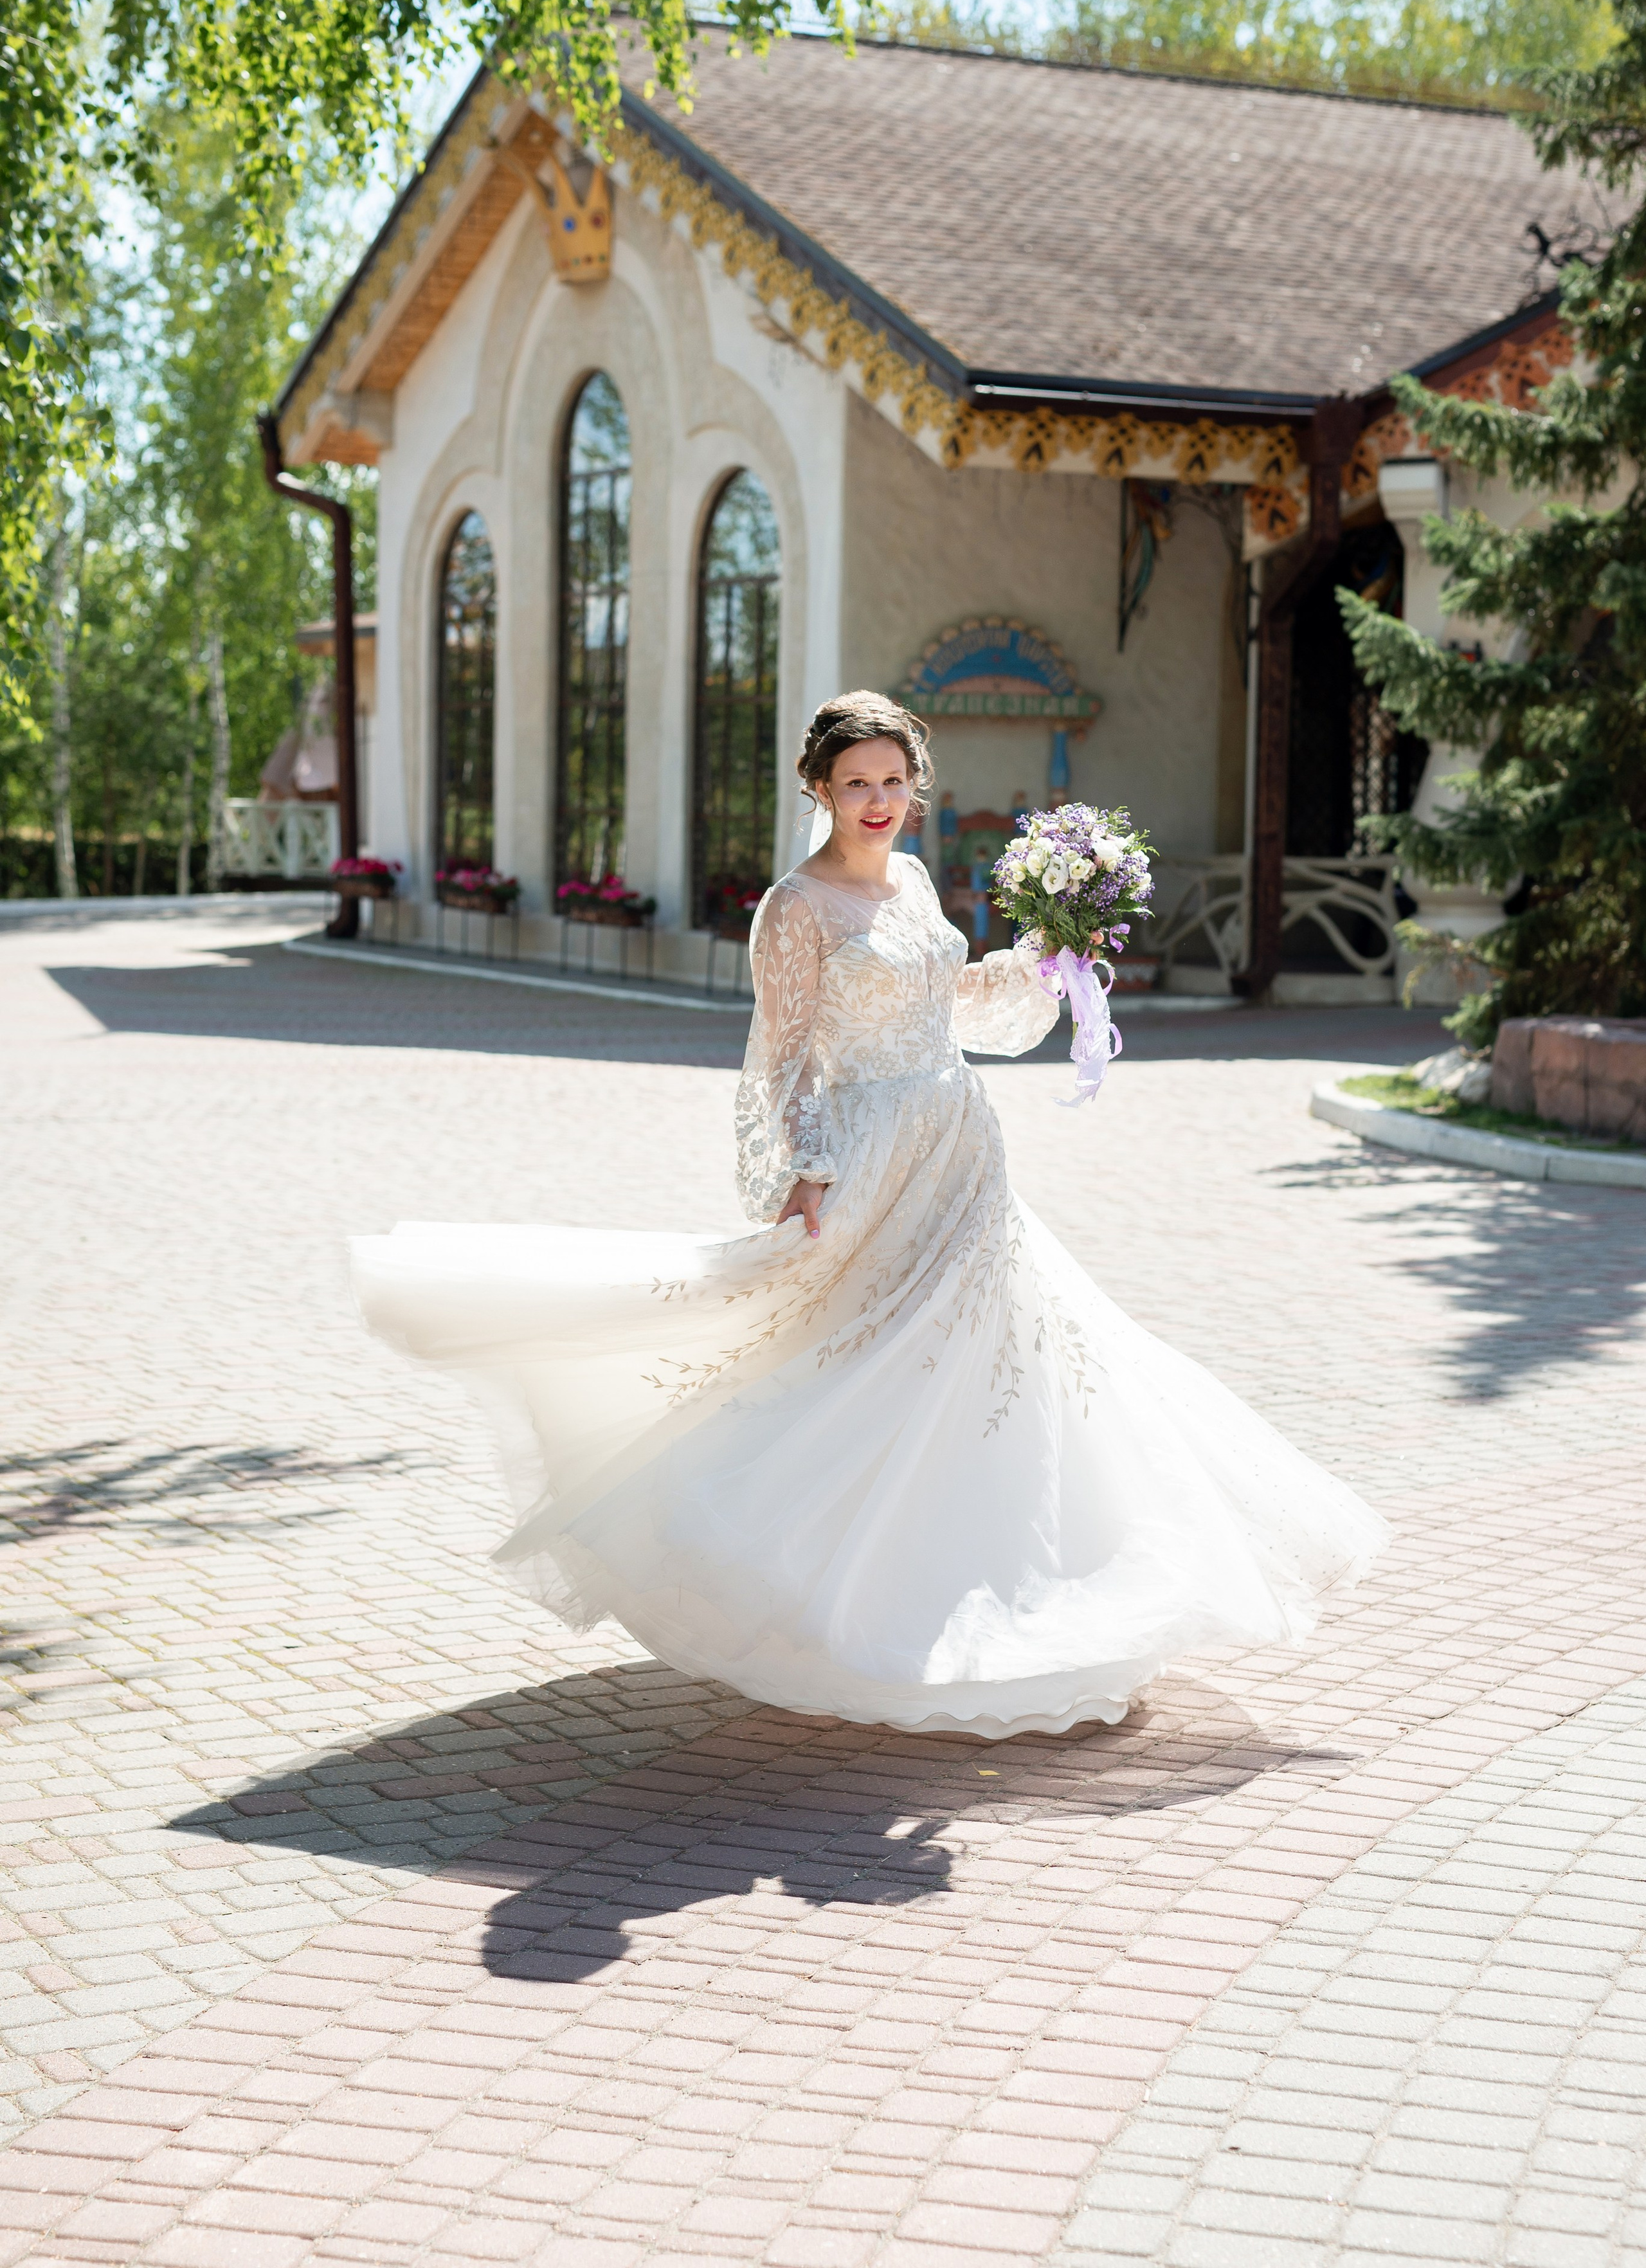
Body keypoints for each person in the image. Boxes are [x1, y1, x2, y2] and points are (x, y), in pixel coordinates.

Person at [352, 691, 1386, 1738]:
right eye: (858, 783)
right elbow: (781, 1054)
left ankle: (1006, 1586)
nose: (879, 800)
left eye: (894, 781)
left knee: (992, 1354)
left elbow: (950, 1001)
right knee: (858, 1355)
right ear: (821, 787)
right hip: (869, 1157)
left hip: (963, 1150)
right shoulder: (794, 908)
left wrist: (1043, 955)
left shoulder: (917, 881)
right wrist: (802, 1168)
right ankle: (806, 1582)